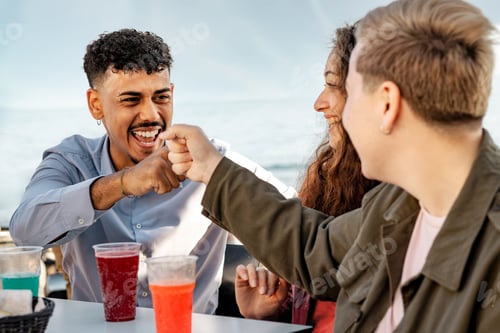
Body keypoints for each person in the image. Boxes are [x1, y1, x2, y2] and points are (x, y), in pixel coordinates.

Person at [162, 0, 500, 331]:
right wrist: (212, 169)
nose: (328, 107)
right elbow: (315, 249)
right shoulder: (401, 202)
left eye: (348, 91)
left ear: (387, 104)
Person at [9, 28, 295, 314]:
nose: (150, 115)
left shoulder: (209, 159)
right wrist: (122, 184)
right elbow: (25, 231)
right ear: (96, 105)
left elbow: (293, 214)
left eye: (160, 98)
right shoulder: (71, 160)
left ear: (172, 94)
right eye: (130, 100)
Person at [234, 23, 378, 333]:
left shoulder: (399, 203)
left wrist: (213, 170)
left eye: (332, 84)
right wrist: (270, 311)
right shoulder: (330, 175)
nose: (319, 103)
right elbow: (312, 299)